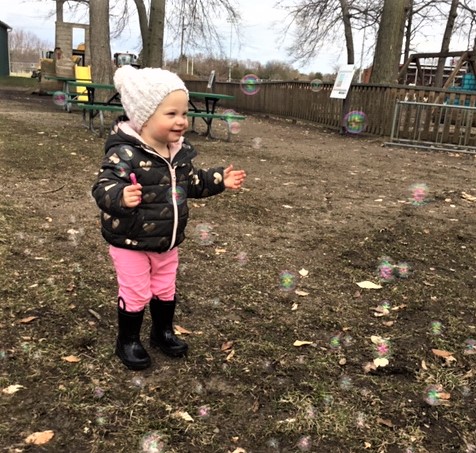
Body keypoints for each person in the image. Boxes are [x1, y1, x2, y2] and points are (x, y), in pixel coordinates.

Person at [92, 66, 246, 370]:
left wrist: (218, 180)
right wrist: (120, 196)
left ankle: (162, 331)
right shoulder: (124, 153)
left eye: (184, 114)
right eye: (171, 114)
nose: (181, 121)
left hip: (167, 240)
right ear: (145, 116)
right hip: (131, 240)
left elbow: (194, 183)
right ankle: (128, 340)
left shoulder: (179, 152)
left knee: (165, 288)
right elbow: (102, 186)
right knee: (136, 292)